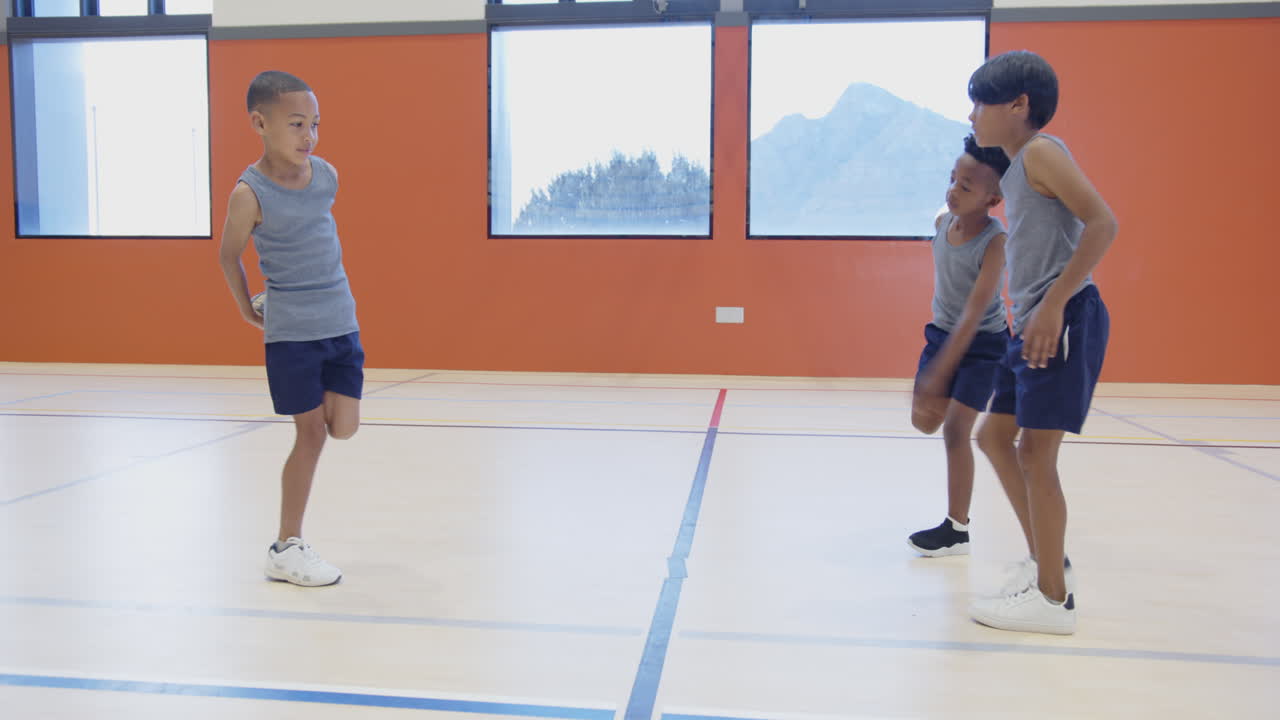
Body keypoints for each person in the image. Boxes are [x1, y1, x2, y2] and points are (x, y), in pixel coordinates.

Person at [966, 51, 1117, 634]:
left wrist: (1054, 305)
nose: (975, 114)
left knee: (1034, 453)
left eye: (982, 101)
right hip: (1032, 320)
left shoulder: (1043, 154)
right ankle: (1049, 565)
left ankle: (1052, 601)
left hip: (1062, 317)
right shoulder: (1016, 167)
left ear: (1019, 105)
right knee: (995, 436)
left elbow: (1103, 222)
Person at [218, 71, 363, 587]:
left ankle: (289, 543)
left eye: (315, 124)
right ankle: (286, 546)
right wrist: (246, 307)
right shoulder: (248, 193)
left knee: (342, 427)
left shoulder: (325, 175)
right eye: (297, 124)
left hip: (340, 323)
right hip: (292, 336)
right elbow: (228, 255)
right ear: (260, 123)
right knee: (311, 434)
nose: (309, 136)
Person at [908, 135, 1010, 558]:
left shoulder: (995, 242)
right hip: (941, 335)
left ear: (992, 198)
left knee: (955, 430)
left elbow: (974, 312)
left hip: (983, 345)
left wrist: (942, 370)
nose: (953, 190)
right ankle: (956, 528)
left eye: (966, 187)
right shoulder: (940, 224)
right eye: (952, 180)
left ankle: (956, 529)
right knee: (924, 422)